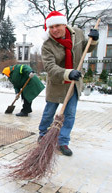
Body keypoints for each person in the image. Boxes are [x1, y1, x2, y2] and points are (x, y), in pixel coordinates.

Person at [38, 11, 99, 156]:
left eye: (57, 25)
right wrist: (67, 73)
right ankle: (43, 133)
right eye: (51, 27)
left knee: (69, 115)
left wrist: (94, 40)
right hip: (57, 83)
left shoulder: (77, 33)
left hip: (74, 83)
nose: (54, 30)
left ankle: (63, 142)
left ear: (64, 24)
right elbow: (50, 67)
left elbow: (86, 48)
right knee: (49, 112)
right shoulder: (47, 45)